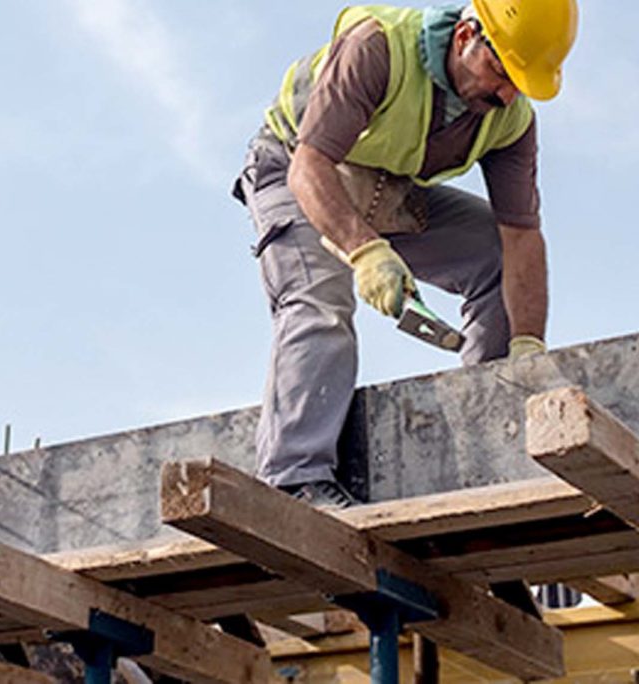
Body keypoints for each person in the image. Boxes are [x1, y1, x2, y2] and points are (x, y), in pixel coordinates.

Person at [234, 0, 579, 509]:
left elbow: (521, 235)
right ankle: (296, 480)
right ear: (466, 36)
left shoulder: (510, 120)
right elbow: (310, 167)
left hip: (382, 186)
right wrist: (366, 251)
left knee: (493, 251)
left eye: (520, 83)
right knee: (321, 303)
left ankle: (493, 440)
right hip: (294, 166)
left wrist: (528, 344)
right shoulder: (378, 47)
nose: (507, 93)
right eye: (502, 71)